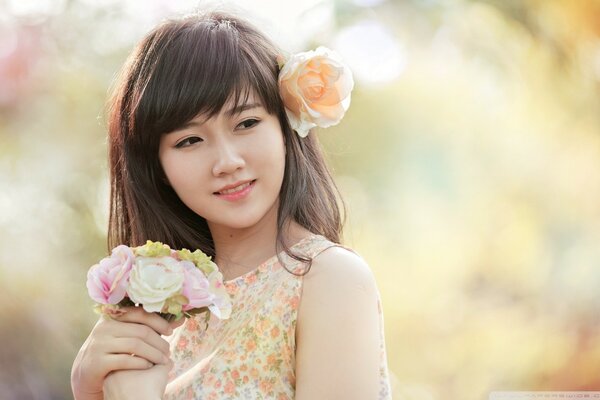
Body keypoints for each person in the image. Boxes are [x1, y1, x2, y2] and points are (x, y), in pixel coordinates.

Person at [71, 8, 392, 400]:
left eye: (246, 123)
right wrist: (88, 389)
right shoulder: (168, 316)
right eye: (189, 140)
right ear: (156, 166)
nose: (227, 162)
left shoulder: (327, 280)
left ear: (286, 127)